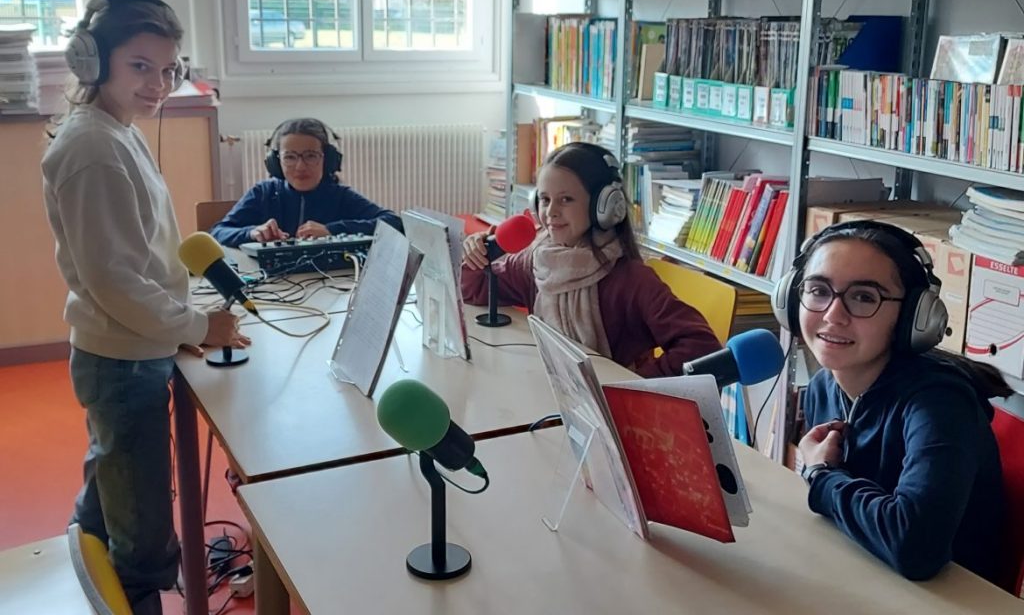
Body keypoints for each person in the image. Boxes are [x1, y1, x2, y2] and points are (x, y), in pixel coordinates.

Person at [42, 0, 250, 614]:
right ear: (91, 60)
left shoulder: (116, 130)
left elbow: (135, 259)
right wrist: (197, 325)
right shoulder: (93, 149)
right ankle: (130, 596)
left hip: (133, 348)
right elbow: (116, 282)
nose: (158, 84)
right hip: (123, 360)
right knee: (142, 529)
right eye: (140, 66)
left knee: (112, 484)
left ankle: (84, 577)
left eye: (168, 69)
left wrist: (184, 323)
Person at [772, 220, 1008, 584]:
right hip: (857, 573)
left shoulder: (940, 404)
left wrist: (821, 476)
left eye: (864, 297)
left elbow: (916, 548)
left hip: (948, 600)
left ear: (913, 316)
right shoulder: (823, 386)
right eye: (818, 290)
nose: (833, 315)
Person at [461, 141, 721, 377]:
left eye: (566, 199)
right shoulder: (537, 261)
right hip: (550, 392)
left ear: (603, 206)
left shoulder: (632, 280)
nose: (551, 211)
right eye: (545, 199)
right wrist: (478, 254)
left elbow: (703, 347)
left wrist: (635, 385)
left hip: (610, 410)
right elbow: (473, 289)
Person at [210, 117, 402, 247]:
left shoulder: (340, 196)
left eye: (310, 156)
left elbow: (394, 222)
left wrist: (332, 230)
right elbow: (218, 232)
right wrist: (252, 233)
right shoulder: (263, 193)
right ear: (276, 162)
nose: (300, 166)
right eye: (290, 157)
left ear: (328, 159)